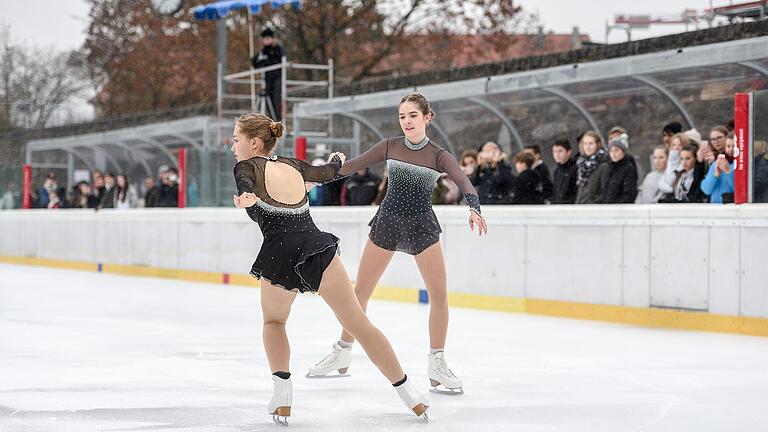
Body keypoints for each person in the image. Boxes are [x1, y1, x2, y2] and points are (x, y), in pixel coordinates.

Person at [231, 114, 428, 422]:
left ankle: (282, 394)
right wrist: (337, 162)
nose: (233, 147)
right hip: (316, 249)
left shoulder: (247, 167)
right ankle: (408, 392)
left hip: (279, 254)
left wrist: (245, 196)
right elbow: (329, 173)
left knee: (274, 323)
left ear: (253, 142)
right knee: (359, 323)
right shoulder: (294, 166)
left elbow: (245, 182)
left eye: (235, 139)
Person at [306, 93, 487, 396]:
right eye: (402, 116)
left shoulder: (438, 155)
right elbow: (352, 166)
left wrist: (474, 207)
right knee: (359, 292)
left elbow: (466, 183)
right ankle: (343, 350)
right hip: (388, 221)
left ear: (427, 117)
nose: (407, 122)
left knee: (439, 294)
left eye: (413, 115)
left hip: (421, 226)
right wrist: (318, 176)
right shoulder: (389, 146)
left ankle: (437, 363)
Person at [251, 28, 284, 121]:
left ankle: (278, 121)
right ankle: (272, 120)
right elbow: (255, 63)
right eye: (264, 39)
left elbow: (278, 61)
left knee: (276, 99)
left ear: (272, 39)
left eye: (268, 38)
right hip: (267, 79)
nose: (266, 41)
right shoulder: (263, 51)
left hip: (277, 78)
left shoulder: (278, 49)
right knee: (268, 100)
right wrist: (262, 61)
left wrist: (266, 61)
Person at [600, 135, 638, 204]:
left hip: (620, 210)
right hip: (607, 209)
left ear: (623, 152)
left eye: (617, 150)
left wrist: (615, 206)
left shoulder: (629, 168)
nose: (613, 153)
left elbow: (629, 194)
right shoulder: (608, 168)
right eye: (611, 151)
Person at [700, 133, 735, 204]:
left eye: (734, 146)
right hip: (715, 208)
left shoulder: (741, 165)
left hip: (732, 207)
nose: (731, 149)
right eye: (728, 146)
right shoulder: (717, 163)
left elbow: (740, 190)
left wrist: (728, 172)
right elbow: (706, 190)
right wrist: (716, 175)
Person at [575, 131, 607, 204]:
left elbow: (605, 193)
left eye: (591, 143)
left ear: (597, 145)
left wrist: (591, 203)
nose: (587, 147)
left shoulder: (603, 166)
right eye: (585, 144)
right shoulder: (581, 164)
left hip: (594, 210)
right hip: (580, 208)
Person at [551, 139, 578, 204]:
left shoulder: (576, 168)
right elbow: (555, 193)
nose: (557, 154)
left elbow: (578, 193)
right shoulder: (557, 171)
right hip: (558, 209)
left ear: (568, 152)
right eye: (554, 151)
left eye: (560, 151)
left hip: (571, 209)